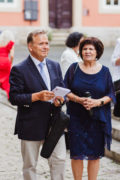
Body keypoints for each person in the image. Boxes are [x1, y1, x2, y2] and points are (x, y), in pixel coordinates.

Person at [9, 30, 66, 180]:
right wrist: (37, 96)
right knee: (30, 165)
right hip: (30, 123)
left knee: (59, 160)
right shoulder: (19, 69)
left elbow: (61, 89)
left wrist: (60, 99)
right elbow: (14, 97)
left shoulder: (55, 66)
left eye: (47, 43)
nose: (45, 47)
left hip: (55, 123)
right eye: (41, 43)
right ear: (30, 46)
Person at [64, 37, 115, 180]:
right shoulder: (73, 69)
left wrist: (97, 102)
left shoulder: (104, 72)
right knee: (76, 154)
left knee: (94, 155)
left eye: (90, 49)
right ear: (80, 52)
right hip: (76, 118)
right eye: (84, 49)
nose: (87, 52)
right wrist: (79, 100)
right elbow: (64, 90)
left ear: (97, 52)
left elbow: (110, 94)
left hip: (97, 119)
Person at [0, 30, 15, 99]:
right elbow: (12, 56)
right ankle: (10, 96)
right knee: (7, 80)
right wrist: (10, 63)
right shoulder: (11, 43)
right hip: (6, 61)